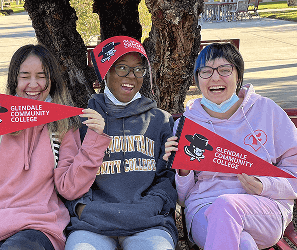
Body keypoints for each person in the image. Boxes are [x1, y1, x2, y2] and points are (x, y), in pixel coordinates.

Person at [0, 44, 111, 250]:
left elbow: (70, 188)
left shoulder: (63, 125)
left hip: (40, 225)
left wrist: (94, 142)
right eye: (25, 76)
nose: (33, 84)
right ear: (14, 80)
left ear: (51, 81)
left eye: (41, 76)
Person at [164, 42, 297, 250]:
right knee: (242, 243)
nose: (215, 78)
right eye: (206, 72)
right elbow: (183, 197)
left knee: (226, 205)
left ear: (238, 75)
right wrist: (184, 168)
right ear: (197, 80)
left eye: (225, 70)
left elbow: (294, 170)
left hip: (264, 206)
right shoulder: (187, 125)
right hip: (204, 208)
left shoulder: (267, 111)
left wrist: (265, 185)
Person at [64, 36, 178, 250]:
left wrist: (151, 206)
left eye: (138, 69)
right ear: (106, 73)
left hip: (148, 224)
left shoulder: (160, 121)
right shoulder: (84, 120)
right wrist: (82, 208)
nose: (131, 77)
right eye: (122, 68)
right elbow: (69, 177)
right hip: (92, 225)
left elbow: (167, 178)